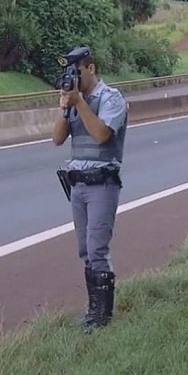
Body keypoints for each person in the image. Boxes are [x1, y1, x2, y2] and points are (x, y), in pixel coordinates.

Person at [51, 47, 128, 333]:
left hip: (102, 182)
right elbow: (57, 139)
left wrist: (80, 103)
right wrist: (64, 106)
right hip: (78, 183)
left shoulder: (111, 98)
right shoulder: (72, 101)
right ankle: (92, 311)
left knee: (98, 248)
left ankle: (103, 316)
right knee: (85, 249)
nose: (73, 79)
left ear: (91, 68)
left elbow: (101, 134)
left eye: (77, 73)